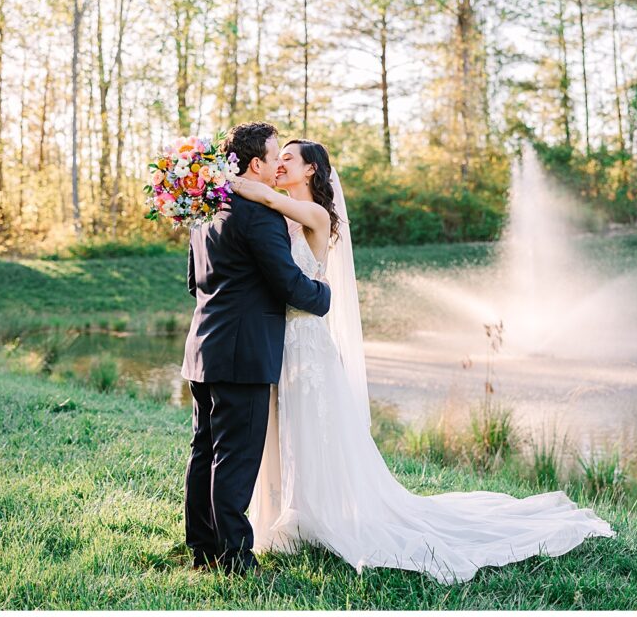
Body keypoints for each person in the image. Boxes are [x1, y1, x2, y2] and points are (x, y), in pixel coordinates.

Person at [231, 139, 614, 584]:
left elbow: (260, 195)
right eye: (276, 159)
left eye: (287, 159)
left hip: (307, 342)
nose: (278, 165)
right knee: (285, 428)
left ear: (312, 170)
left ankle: (320, 517)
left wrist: (215, 179)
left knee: (314, 430)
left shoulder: (313, 216)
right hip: (281, 340)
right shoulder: (284, 218)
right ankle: (284, 512)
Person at [180, 122, 331, 575]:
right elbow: (287, 284)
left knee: (204, 450)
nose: (279, 162)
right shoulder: (259, 216)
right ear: (256, 164)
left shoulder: (206, 211)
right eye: (273, 154)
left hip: (203, 346)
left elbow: (194, 283)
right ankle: (233, 559)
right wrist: (325, 297)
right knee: (236, 459)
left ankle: (202, 547)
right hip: (242, 355)